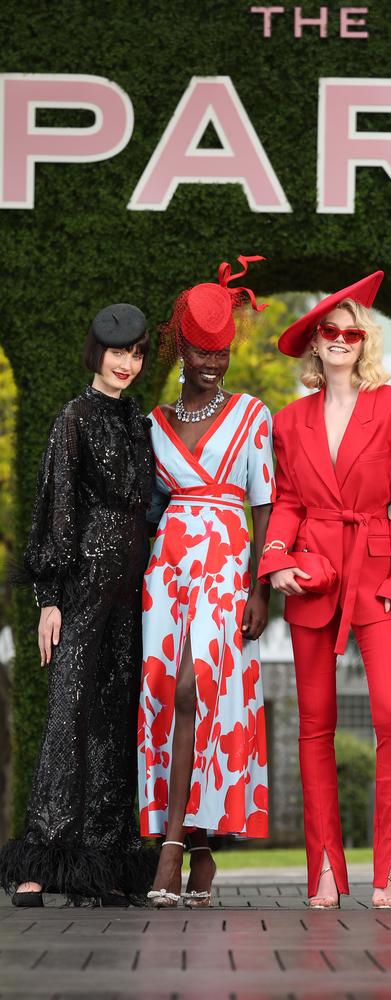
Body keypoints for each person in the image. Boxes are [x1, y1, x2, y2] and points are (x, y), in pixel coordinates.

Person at [257, 272, 391, 909]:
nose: (339, 340)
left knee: (390, 715)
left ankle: (385, 871)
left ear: (365, 342)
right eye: (328, 331)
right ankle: (325, 871)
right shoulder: (289, 420)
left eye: (350, 332)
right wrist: (274, 559)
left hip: (379, 572)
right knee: (314, 727)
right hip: (311, 574)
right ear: (315, 343)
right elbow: (288, 503)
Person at [0, 304, 156, 907]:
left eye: (137, 354)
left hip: (132, 587)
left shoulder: (137, 422)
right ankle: (42, 855)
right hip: (84, 582)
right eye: (118, 352)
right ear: (97, 353)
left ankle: (101, 859)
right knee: (67, 712)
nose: (127, 364)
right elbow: (54, 506)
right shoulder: (73, 417)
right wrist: (48, 598)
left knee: (117, 717)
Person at [139, 255, 274, 908]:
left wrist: (262, 586)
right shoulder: (155, 426)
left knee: (199, 690)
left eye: (221, 352)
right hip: (167, 571)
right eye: (202, 351)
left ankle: (169, 847)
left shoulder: (252, 416)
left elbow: (267, 504)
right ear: (182, 347)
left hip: (226, 564)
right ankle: (199, 848)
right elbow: (144, 508)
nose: (213, 364)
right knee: (167, 696)